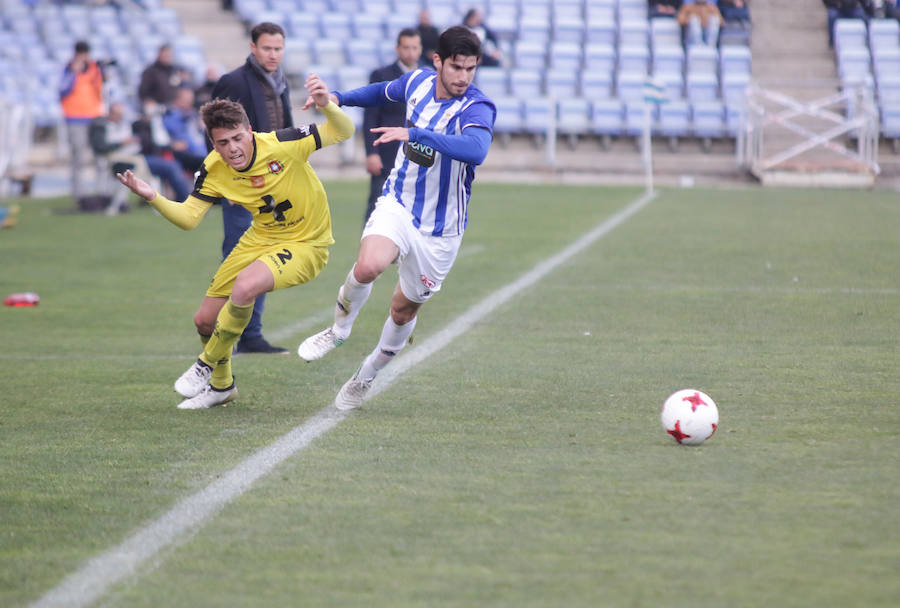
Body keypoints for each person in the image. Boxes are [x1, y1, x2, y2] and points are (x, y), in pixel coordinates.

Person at [115, 74, 355, 410]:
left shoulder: (283, 143)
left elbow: (343, 131)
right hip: (259, 239)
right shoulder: (214, 168)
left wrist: (327, 104)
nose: (232, 149)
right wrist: (152, 196)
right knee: (205, 320)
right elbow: (189, 218)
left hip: (306, 243)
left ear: (249, 131)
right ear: (212, 143)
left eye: (237, 138)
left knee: (245, 288)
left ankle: (205, 363)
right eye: (222, 143)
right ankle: (221, 386)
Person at [297, 26, 496, 411]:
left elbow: (476, 149)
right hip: (399, 203)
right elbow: (381, 91)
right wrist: (336, 97)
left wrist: (415, 133)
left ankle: (366, 376)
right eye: (457, 67)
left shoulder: (476, 106)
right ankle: (338, 329)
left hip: (440, 230)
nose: (463, 77)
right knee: (369, 265)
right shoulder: (418, 81)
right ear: (437, 61)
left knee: (403, 310)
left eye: (471, 69)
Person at [210, 22, 293, 354]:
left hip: (273, 187)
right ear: (253, 48)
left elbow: (285, 133)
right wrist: (226, 185)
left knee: (263, 260)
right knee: (237, 258)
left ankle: (250, 334)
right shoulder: (234, 82)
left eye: (278, 48)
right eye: (267, 48)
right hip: (242, 188)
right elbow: (214, 135)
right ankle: (230, 332)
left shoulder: (281, 83)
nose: (273, 54)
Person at [362, 28, 423, 224]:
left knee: (412, 211)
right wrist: (371, 152)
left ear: (420, 49)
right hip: (386, 155)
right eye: (406, 47)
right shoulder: (381, 75)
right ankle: (368, 253)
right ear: (398, 49)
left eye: (414, 47)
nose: (410, 52)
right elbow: (370, 116)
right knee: (377, 209)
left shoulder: (428, 77)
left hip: (416, 155)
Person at [59, 40, 106, 201]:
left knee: (100, 155)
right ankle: (78, 193)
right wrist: (73, 73)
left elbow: (101, 87)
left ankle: (101, 190)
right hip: (75, 118)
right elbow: (62, 90)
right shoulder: (68, 68)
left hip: (94, 116)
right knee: (78, 157)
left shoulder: (95, 68)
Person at [163, 87, 208, 173]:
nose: (190, 103)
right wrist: (172, 144)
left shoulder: (192, 114)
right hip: (187, 154)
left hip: (201, 150)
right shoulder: (170, 115)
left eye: (191, 100)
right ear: (177, 100)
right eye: (186, 100)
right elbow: (165, 138)